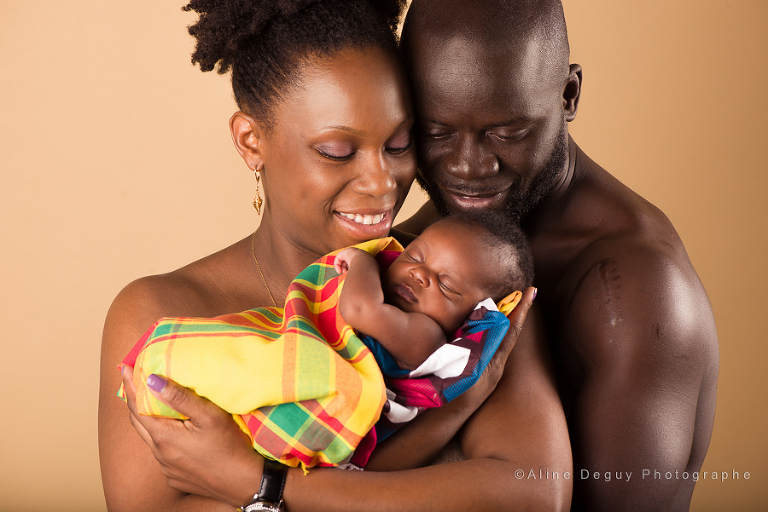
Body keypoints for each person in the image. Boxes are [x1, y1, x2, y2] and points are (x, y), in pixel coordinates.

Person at [99, 1, 570, 511]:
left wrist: (256, 482)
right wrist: (449, 425)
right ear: (251, 140)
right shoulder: (164, 313)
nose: (382, 182)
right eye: (337, 151)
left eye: (398, 144)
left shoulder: (459, 280)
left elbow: (536, 494)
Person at [396, 1, 719, 510]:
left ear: (568, 94)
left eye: (508, 132)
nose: (468, 167)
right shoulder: (439, 236)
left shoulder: (637, 292)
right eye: (436, 132)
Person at [121, 212, 533, 470]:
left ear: (474, 316)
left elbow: (359, 312)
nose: (419, 275)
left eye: (445, 284)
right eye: (416, 256)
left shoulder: (426, 337)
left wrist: (360, 260)